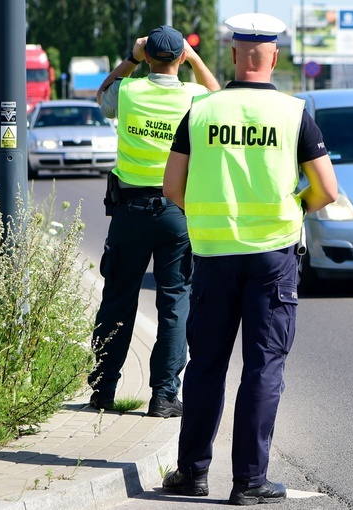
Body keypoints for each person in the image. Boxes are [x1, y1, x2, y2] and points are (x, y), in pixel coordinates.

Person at [160, 12, 337, 505]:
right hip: (272, 258)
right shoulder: (294, 113)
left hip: (214, 255)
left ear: (235, 55)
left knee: (205, 366)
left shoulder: (201, 112)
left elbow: (173, 187)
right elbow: (327, 189)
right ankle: (249, 483)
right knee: (263, 369)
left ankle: (192, 473)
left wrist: (208, 215)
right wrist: (292, 207)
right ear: (274, 56)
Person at [88, 25, 220, 418]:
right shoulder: (195, 97)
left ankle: (104, 391)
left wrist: (131, 58)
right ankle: (164, 396)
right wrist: (194, 59)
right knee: (174, 303)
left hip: (129, 212)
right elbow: (219, 97)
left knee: (117, 300)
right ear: (179, 58)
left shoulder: (128, 91)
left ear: (147, 57)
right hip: (176, 212)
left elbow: (102, 97)